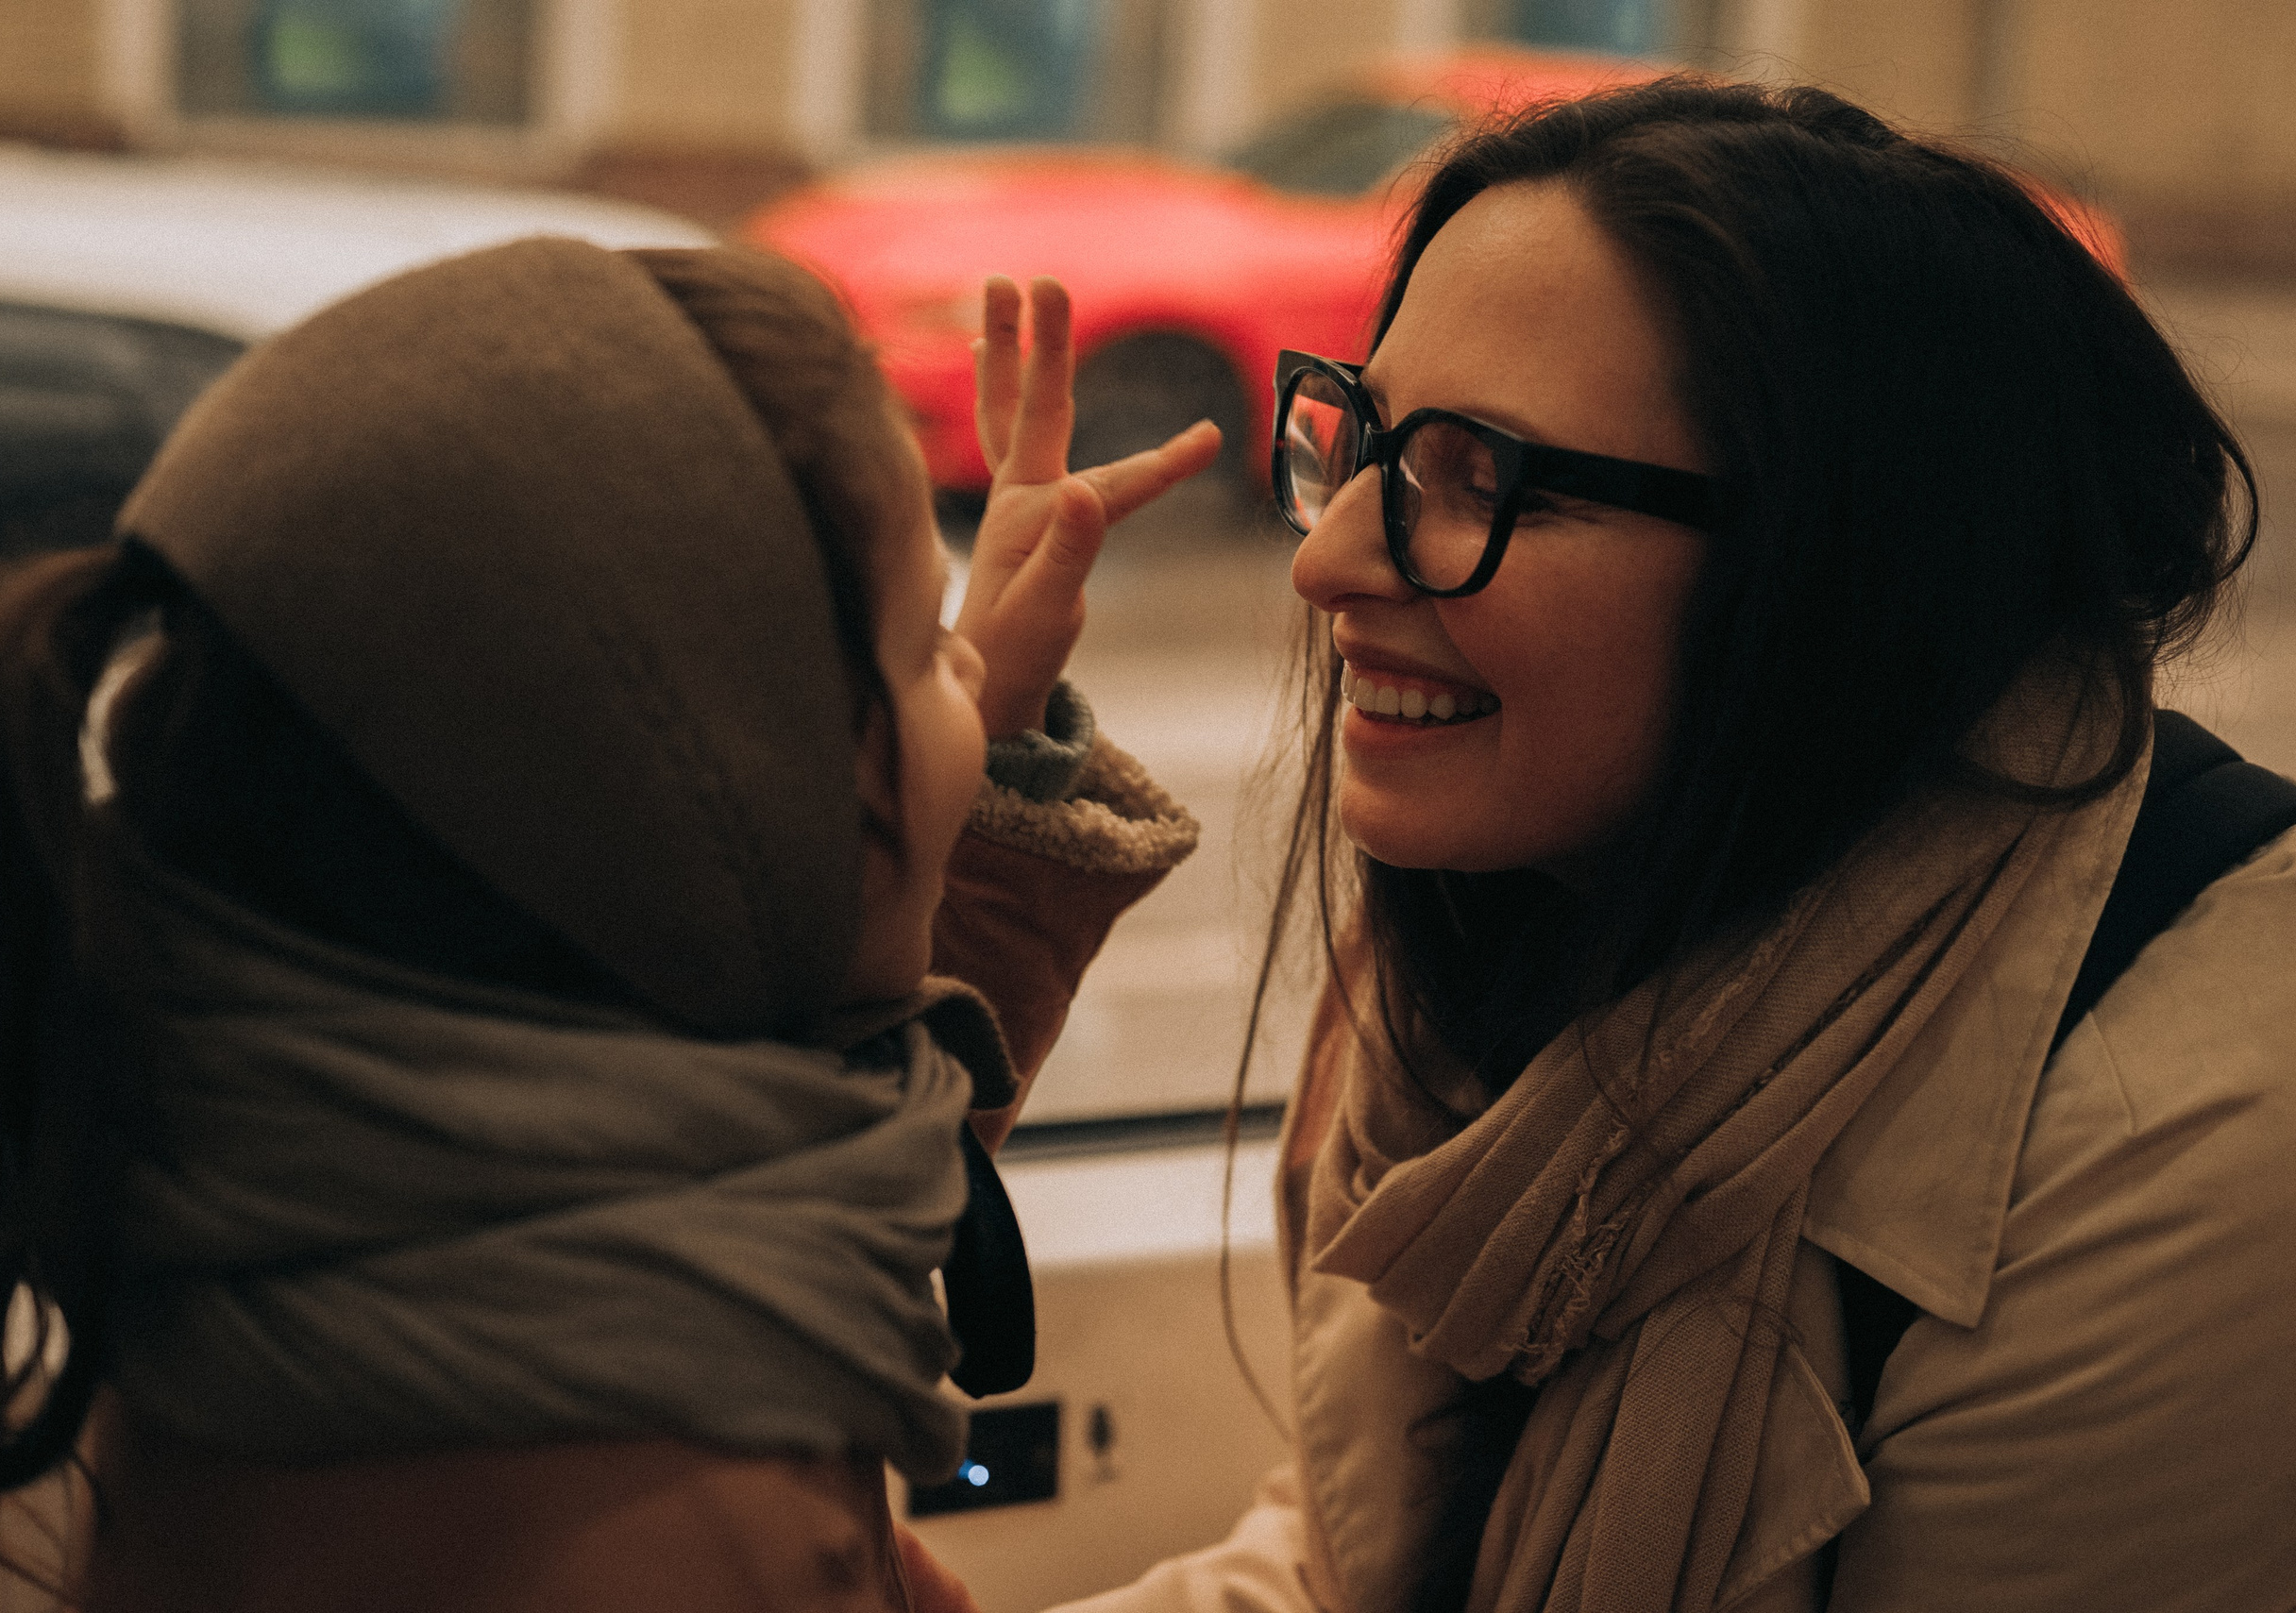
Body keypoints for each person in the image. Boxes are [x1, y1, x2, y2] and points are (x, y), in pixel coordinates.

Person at [982, 76, 2296, 1613]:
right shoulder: (1480, 949)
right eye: (1370, 443)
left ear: (1835, 581)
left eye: (1479, 476)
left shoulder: (2192, 1145)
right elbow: (1369, 1565)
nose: (1328, 560)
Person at [0, 241, 1214, 1611]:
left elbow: (808, 1096)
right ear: (743, 818)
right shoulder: (665, 1531)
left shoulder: (339, 1206)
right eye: (925, 647)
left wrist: (943, 740)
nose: (973, 669)